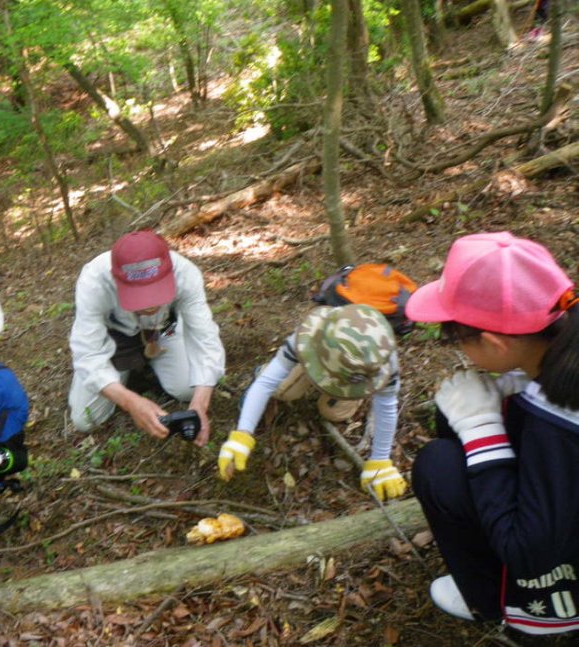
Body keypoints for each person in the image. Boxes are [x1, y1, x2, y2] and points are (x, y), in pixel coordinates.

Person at [407, 231, 579, 635]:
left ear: (495, 342)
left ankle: (494, 600)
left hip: (546, 569)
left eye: (457, 339)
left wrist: (482, 428)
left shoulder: (558, 425)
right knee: (467, 417)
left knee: (439, 465)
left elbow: (529, 551)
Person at [218, 303, 408, 502]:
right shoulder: (310, 335)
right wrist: (243, 433)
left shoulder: (383, 361)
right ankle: (281, 373)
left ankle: (346, 391)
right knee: (283, 390)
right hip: (314, 360)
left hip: (351, 379)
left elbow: (386, 406)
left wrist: (380, 460)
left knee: (333, 413)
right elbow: (267, 382)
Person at [68, 230, 225, 446]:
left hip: (165, 331)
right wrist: (130, 402)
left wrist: (201, 402)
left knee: (190, 388)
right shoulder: (94, 282)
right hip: (115, 340)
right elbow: (87, 353)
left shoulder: (185, 273)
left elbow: (204, 336)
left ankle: (147, 365)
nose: (149, 305)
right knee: (87, 419)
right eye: (139, 296)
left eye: (156, 292)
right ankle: (126, 372)